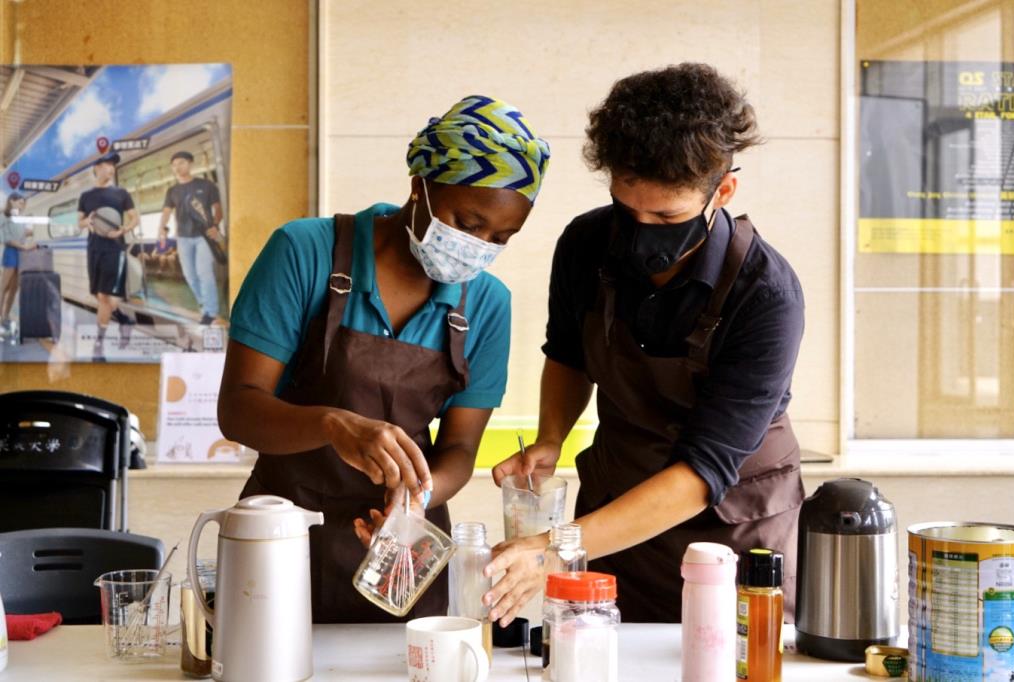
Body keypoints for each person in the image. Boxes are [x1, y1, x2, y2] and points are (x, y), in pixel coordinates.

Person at [484, 64, 806, 625]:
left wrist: (554, 545)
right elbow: (566, 353)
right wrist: (551, 438)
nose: (641, 231)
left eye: (666, 215)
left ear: (722, 190)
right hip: (615, 526)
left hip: (734, 539)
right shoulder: (588, 242)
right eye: (627, 209)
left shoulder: (767, 296)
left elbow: (703, 471)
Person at [217, 95, 551, 623]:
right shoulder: (305, 252)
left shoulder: (487, 304)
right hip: (281, 538)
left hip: (404, 556)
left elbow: (461, 447)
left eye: (500, 238)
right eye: (468, 222)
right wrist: (333, 425)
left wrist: (415, 501)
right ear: (420, 185)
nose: (478, 247)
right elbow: (237, 410)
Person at [77, 152, 139, 359]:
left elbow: (134, 218)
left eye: (113, 166)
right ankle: (123, 319)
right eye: (106, 165)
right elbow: (80, 222)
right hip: (94, 248)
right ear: (96, 168)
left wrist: (123, 230)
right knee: (99, 295)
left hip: (115, 249)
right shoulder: (86, 196)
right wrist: (89, 221)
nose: (110, 169)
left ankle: (99, 344)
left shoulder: (121, 193)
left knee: (104, 298)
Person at [157, 150, 223, 325]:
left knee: (204, 273)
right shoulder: (172, 191)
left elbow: (218, 209)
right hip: (183, 238)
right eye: (174, 165)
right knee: (190, 275)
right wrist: (162, 230)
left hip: (204, 236)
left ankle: (211, 312)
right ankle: (204, 302)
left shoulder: (206, 185)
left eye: (181, 163)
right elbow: (166, 213)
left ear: (190, 163)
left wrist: (216, 226)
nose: (177, 167)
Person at [0, 192, 36, 335]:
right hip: (11, 252)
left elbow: (19, 234)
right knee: (4, 287)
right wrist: (24, 247)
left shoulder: (19, 218)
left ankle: (6, 316)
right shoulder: (4, 217)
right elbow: (7, 239)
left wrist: (28, 231)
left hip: (20, 253)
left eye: (23, 204)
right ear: (12, 202)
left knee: (14, 288)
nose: (22, 206)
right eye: (20, 203)